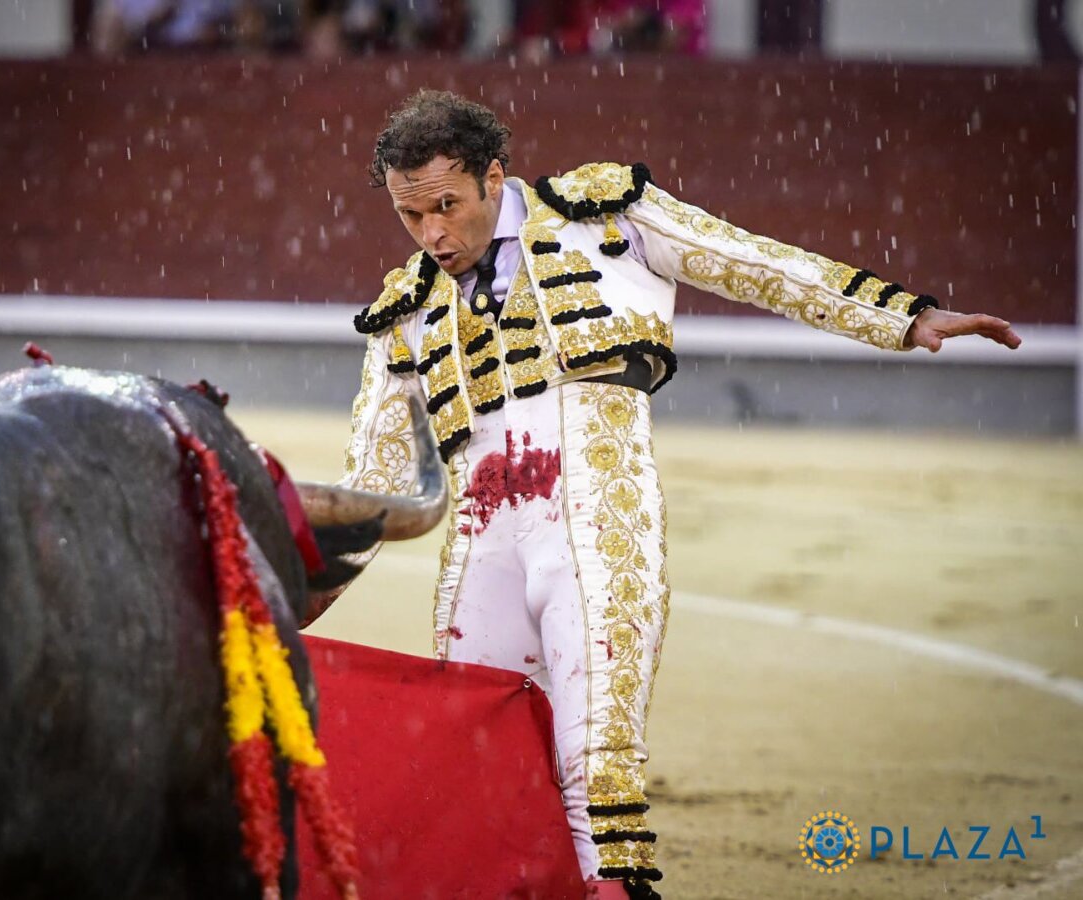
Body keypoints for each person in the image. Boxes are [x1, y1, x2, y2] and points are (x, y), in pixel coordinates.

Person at [334, 89, 1020, 899]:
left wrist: (901, 319)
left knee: (597, 765)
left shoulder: (604, 221)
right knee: (482, 770)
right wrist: (281, 581)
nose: (432, 235)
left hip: (596, 519)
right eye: (411, 217)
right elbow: (371, 489)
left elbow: (754, 264)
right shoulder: (404, 314)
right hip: (481, 548)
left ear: (494, 176)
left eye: (446, 206)